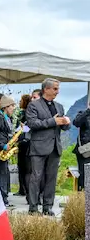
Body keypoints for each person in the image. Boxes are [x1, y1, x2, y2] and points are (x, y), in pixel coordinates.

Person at [25, 78, 70, 215]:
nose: (58, 91)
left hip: (55, 147)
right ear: (46, 89)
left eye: (58, 88)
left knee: (51, 178)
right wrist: (53, 121)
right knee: (36, 177)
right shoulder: (34, 105)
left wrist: (66, 123)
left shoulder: (59, 106)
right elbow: (32, 124)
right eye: (55, 88)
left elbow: (63, 127)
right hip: (38, 147)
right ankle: (33, 208)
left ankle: (47, 207)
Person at [15, 93, 32, 197]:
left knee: (24, 167)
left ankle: (24, 189)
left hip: (25, 142)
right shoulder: (22, 113)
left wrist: (20, 128)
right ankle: (22, 189)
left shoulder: (26, 113)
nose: (19, 102)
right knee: (21, 167)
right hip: (21, 141)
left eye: (21, 100)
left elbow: (28, 128)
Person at [74, 106, 90, 191]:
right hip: (85, 150)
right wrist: (88, 111)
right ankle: (82, 197)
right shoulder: (83, 114)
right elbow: (76, 123)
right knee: (84, 174)